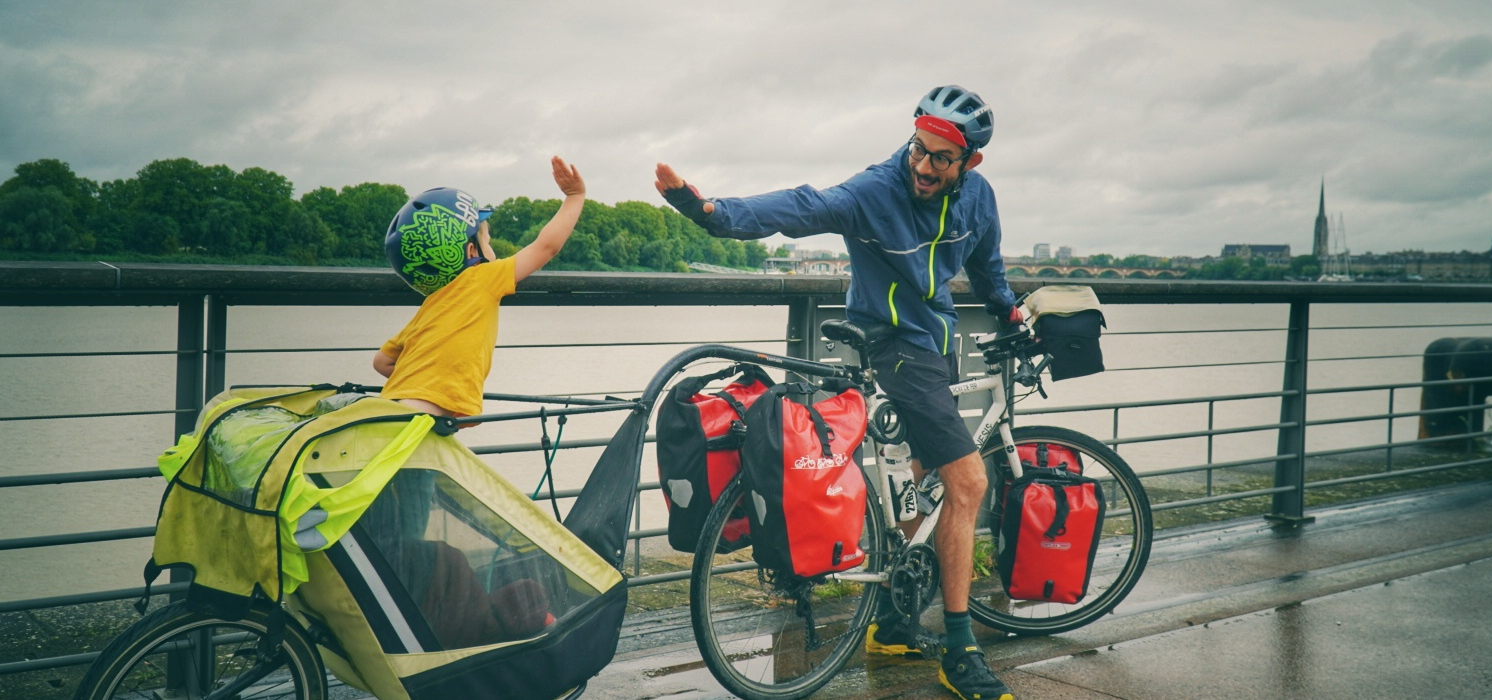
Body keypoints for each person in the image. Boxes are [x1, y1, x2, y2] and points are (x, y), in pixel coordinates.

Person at [654, 85, 1022, 700]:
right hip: (891, 342)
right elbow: (802, 206)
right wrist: (709, 212)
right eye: (918, 148)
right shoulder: (876, 190)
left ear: (970, 163)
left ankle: (895, 622)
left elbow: (987, 271)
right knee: (969, 485)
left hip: (935, 341)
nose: (923, 165)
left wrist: (1008, 312)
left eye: (940, 158)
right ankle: (960, 653)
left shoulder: (979, 199)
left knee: (922, 475)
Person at [374, 156, 586, 419]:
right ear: (472, 250)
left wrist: (423, 377)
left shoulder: (429, 308)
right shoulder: (483, 278)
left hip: (392, 404)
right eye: (488, 240)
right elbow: (546, 247)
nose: (492, 247)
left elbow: (382, 362)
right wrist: (575, 196)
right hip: (423, 414)